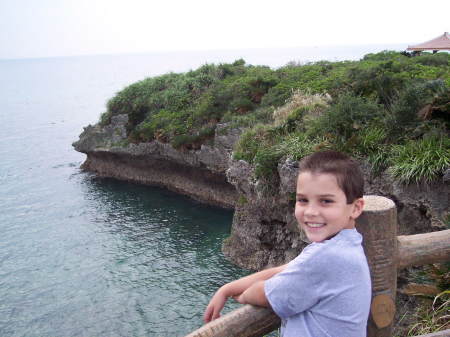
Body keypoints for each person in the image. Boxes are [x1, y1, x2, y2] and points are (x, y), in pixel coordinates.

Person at [203, 151, 372, 337]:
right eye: (303, 200)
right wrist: (227, 289)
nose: (311, 211)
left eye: (326, 201)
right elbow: (286, 269)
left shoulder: (329, 257)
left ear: (355, 208)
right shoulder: (345, 243)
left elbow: (263, 293)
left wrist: (243, 296)